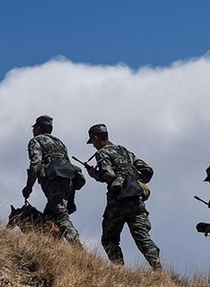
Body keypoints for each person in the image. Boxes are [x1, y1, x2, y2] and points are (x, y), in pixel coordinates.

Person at [84, 123, 161, 270]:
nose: (93, 145)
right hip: (136, 198)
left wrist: (96, 175)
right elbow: (147, 170)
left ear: (95, 138)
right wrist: (134, 180)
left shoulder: (102, 153)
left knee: (109, 239)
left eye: (92, 142)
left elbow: (108, 174)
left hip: (117, 201)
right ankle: (158, 268)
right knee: (142, 237)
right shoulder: (124, 150)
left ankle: (119, 269)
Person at [22, 115, 80, 244]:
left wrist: (28, 187)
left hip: (53, 180)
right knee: (49, 217)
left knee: (61, 215)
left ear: (37, 128)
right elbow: (68, 165)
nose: (33, 131)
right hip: (69, 180)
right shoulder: (60, 143)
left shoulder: (36, 141)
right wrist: (71, 198)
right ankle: (53, 246)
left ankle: (77, 246)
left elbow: (35, 163)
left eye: (34, 128)